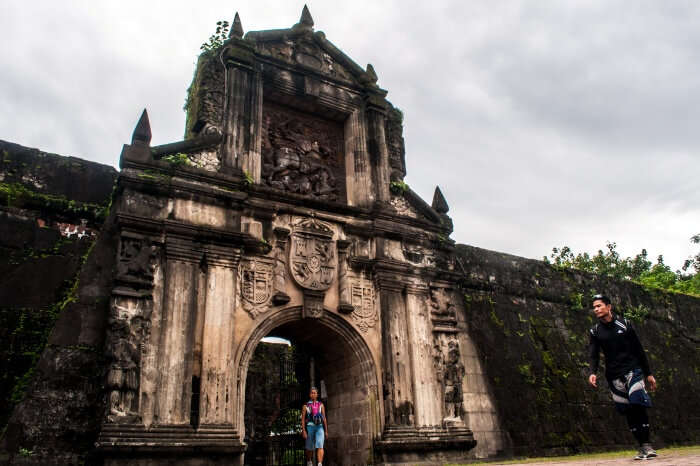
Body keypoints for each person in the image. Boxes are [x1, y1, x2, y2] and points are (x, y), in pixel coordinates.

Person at [587, 294, 658, 460]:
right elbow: (594, 354)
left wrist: (649, 374)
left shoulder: (625, 324)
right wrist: (592, 372)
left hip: (633, 371)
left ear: (609, 306)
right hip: (613, 376)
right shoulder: (595, 331)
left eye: (599, 306)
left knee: (637, 403)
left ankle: (647, 444)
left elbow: (639, 350)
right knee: (628, 411)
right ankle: (641, 446)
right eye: (594, 307)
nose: (596, 309)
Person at [301, 386, 327, 466]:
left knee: (320, 445)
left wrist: (326, 430)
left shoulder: (321, 405)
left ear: (317, 395)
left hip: (319, 427)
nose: (313, 394)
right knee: (310, 447)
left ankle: (319, 463)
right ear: (310, 395)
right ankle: (309, 461)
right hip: (310, 427)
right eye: (312, 393)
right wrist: (304, 430)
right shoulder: (305, 406)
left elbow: (324, 418)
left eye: (314, 393)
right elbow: (302, 419)